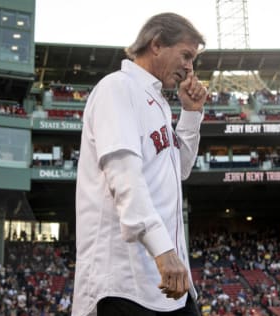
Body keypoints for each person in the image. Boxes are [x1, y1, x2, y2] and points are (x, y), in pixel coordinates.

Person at [73, 13, 207, 316]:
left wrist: (191, 113)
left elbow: (180, 169)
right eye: (186, 55)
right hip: (124, 281)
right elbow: (124, 177)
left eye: (193, 59)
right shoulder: (117, 88)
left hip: (166, 280)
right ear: (157, 44)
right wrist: (163, 250)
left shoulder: (158, 101)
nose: (190, 67)